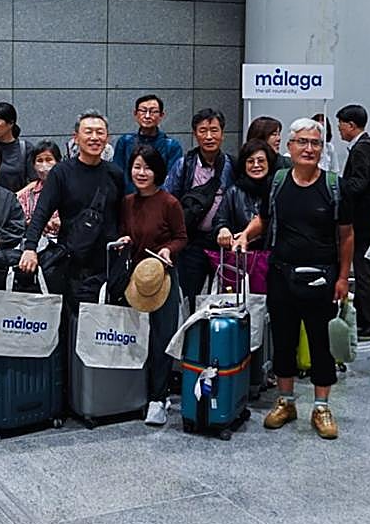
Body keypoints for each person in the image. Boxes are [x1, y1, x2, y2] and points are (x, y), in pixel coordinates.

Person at [234, 118, 354, 440]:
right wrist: (246, 234)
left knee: (321, 344)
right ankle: (286, 402)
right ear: (289, 147)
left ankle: (321, 407)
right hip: (281, 274)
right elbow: (264, 218)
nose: (309, 148)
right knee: (284, 342)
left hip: (322, 278)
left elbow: (346, 236)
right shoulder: (278, 182)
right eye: (302, 142)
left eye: (315, 143)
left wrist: (343, 277)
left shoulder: (333, 185)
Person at [116, 145, 187, 427]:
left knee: (160, 338)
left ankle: (159, 398)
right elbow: (125, 231)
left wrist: (169, 250)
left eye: (147, 167)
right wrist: (123, 241)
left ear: (158, 171)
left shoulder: (169, 202)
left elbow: (182, 237)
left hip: (162, 279)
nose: (141, 173)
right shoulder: (127, 202)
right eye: (136, 167)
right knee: (136, 338)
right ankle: (138, 394)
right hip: (135, 279)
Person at [19, 112, 125, 299]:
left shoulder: (115, 173)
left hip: (106, 263)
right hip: (72, 261)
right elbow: (42, 212)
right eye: (88, 132)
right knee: (72, 321)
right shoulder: (62, 172)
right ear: (76, 137)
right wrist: (30, 248)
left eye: (100, 132)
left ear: (107, 138)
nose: (94, 137)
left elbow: (122, 215)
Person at [166, 108, 233, 302]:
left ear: (223, 134)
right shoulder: (184, 165)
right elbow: (169, 198)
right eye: (203, 131)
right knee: (189, 296)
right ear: (195, 134)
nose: (209, 136)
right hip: (191, 242)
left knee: (222, 296)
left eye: (214, 130)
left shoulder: (232, 165)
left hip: (222, 243)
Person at [337, 104, 370, 339]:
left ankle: (369, 321)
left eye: (341, 125)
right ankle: (369, 319)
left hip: (362, 219)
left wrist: (338, 185)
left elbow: (359, 184)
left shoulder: (362, 149)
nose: (339, 129)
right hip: (367, 216)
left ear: (351, 125)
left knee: (364, 269)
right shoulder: (369, 146)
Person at [111, 94, 185, 194]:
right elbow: (117, 175)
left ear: (161, 115)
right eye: (143, 110)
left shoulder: (171, 146)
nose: (147, 116)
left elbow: (172, 181)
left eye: (153, 111)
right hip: (128, 202)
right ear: (135, 114)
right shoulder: (125, 142)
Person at [215, 139, 277, 250]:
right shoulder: (234, 191)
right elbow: (221, 219)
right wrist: (223, 229)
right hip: (242, 256)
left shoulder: (277, 188)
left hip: (273, 254)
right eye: (250, 161)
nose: (256, 165)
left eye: (261, 160)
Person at [17, 141, 62, 238]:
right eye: (40, 161)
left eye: (49, 159)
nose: (44, 165)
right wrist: (37, 223)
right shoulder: (27, 194)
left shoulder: (69, 189)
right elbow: (18, 221)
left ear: (58, 162)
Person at [0, 101, 34, 192]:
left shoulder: (25, 148)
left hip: (17, 201)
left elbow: (35, 181)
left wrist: (16, 197)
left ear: (11, 123)